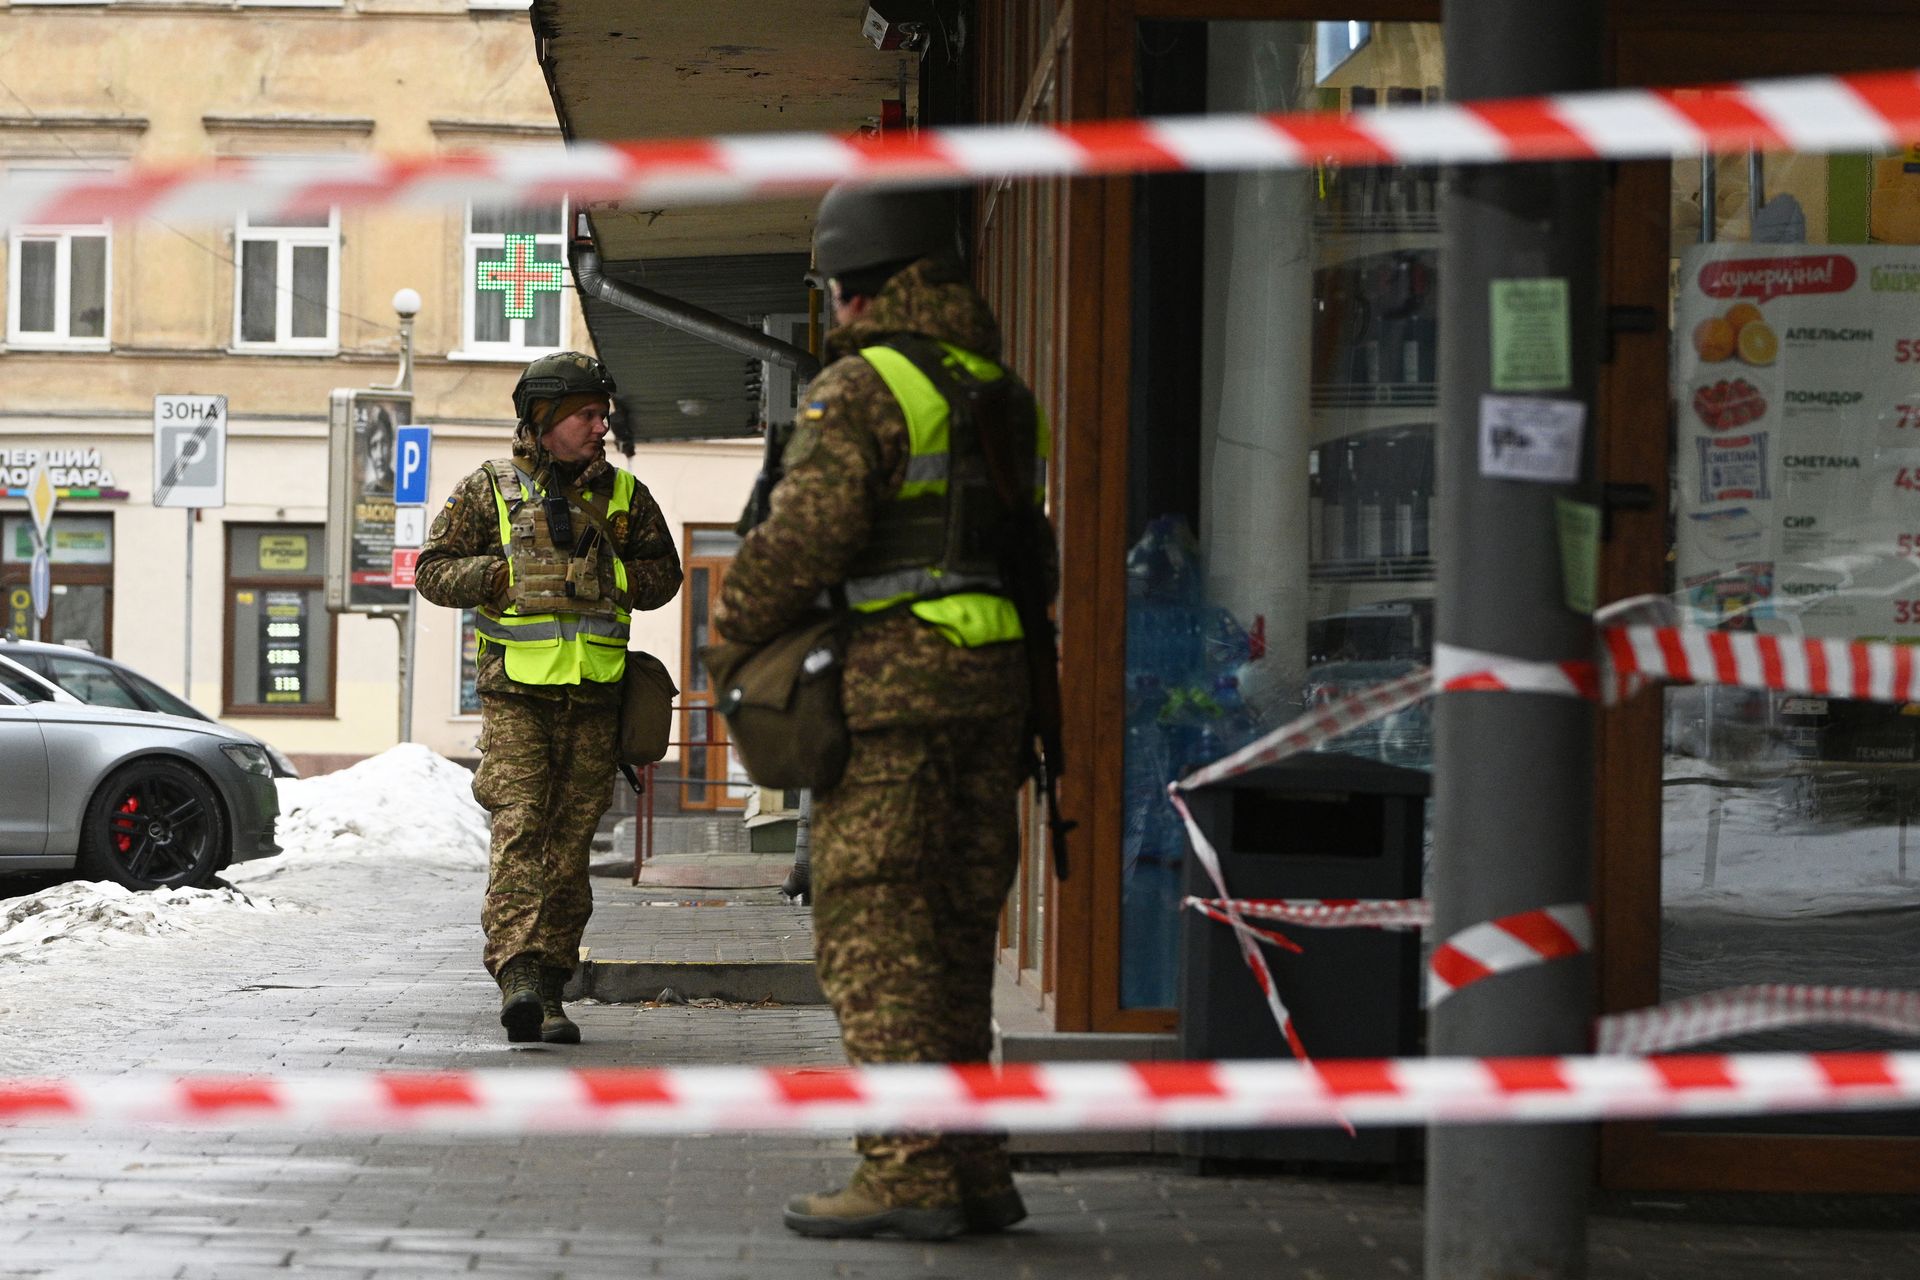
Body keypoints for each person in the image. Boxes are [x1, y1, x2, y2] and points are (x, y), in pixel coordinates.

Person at [715, 184, 1057, 1241]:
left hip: (895, 693)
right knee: (953, 936)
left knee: (874, 928)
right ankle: (972, 1163)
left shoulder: (866, 387)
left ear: (854, 289)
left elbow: (805, 538)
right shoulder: (999, 389)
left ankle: (908, 1169)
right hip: (995, 692)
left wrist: (733, 623)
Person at [415, 351, 681, 1044]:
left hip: (596, 699)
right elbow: (433, 572)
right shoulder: (489, 489)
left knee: (568, 850)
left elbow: (665, 576)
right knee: (520, 830)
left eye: (602, 415)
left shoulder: (625, 497)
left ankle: (553, 986)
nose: (601, 427)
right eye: (587, 415)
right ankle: (518, 975)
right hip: (516, 698)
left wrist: (616, 575)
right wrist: (498, 575)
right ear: (545, 419)